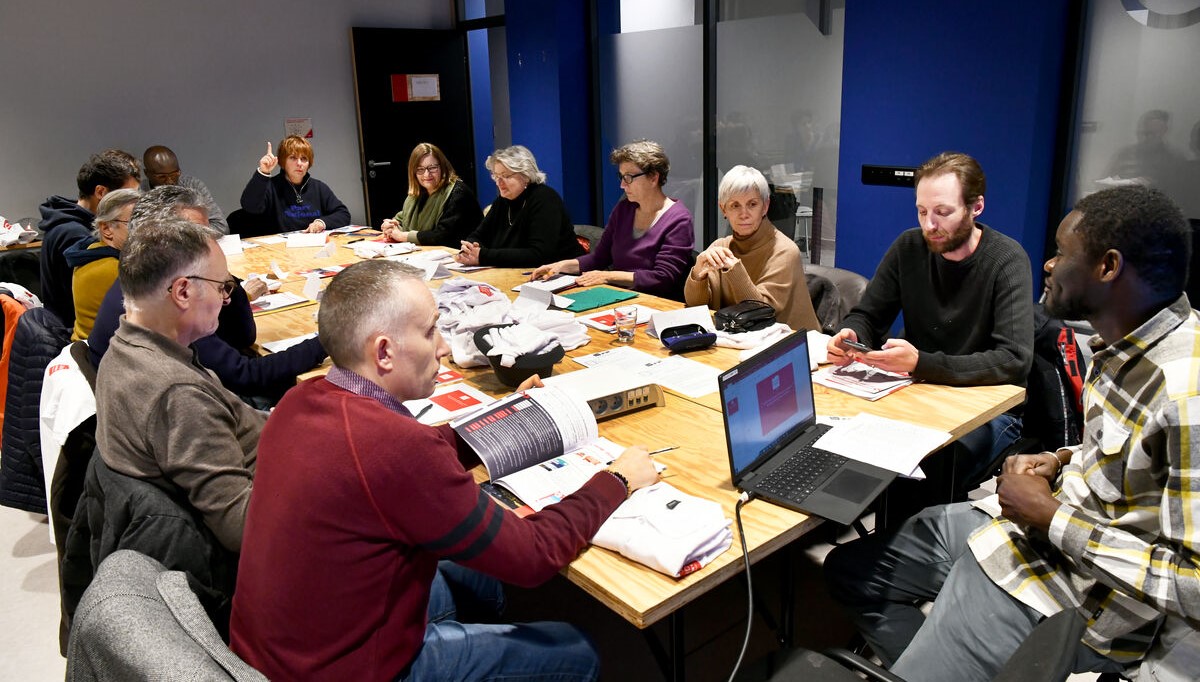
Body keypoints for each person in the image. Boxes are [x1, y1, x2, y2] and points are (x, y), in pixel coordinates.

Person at [824, 186, 1199, 682]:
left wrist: (1050, 515)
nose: (1049, 264)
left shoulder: (1185, 395)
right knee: (848, 571)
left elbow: (1194, 586)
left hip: (1074, 597)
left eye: (1063, 253)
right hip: (1026, 530)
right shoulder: (1120, 347)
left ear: (1108, 267)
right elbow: (1127, 465)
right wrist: (1062, 460)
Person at [230, 260, 659, 681]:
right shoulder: (393, 447)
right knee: (575, 651)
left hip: (278, 653)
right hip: (349, 669)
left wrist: (509, 418)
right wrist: (616, 480)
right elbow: (532, 556)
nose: (443, 347)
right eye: (430, 330)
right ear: (384, 351)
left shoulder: (299, 401)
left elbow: (414, 454)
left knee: (471, 577)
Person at [826, 151, 1033, 511]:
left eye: (943, 212)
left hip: (987, 409)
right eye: (922, 211)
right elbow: (868, 315)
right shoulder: (909, 247)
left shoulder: (1006, 260)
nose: (930, 224)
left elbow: (1014, 360)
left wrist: (921, 363)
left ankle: (900, 553)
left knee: (921, 468)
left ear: (976, 207)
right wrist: (851, 335)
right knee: (839, 443)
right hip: (916, 391)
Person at [94, 216, 266, 552]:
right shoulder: (177, 394)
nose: (226, 300)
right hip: (266, 503)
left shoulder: (124, 347)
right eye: (223, 287)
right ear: (183, 291)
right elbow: (243, 527)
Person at [87, 185, 327, 404]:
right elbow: (246, 375)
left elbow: (243, 337)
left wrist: (223, 280)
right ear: (160, 240)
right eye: (197, 236)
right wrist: (329, 339)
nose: (211, 244)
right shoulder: (164, 304)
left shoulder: (148, 279)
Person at [530, 139, 695, 300]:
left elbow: (663, 278)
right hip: (620, 298)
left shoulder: (678, 219)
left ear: (653, 177)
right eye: (621, 177)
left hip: (656, 304)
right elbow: (599, 258)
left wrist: (608, 276)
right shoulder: (624, 209)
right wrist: (560, 266)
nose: (622, 185)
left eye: (629, 177)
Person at [684, 164, 820, 331]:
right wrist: (698, 274)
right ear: (723, 209)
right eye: (735, 205)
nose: (744, 214)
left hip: (791, 345)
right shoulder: (720, 246)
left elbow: (762, 311)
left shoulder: (785, 250)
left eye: (752, 204)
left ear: (765, 207)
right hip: (738, 339)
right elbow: (696, 306)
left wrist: (735, 270)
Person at [38, 153, 140, 327]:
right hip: (73, 332)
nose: (135, 205)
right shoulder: (76, 235)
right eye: (127, 196)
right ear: (101, 192)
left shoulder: (65, 219)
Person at [454, 145, 585, 268]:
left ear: (526, 175)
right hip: (519, 274)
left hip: (561, 276)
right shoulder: (502, 201)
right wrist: (471, 249)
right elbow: (477, 235)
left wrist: (483, 256)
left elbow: (539, 255)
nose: (499, 182)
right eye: (496, 176)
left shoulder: (545, 199)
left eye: (505, 176)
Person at [66, 188, 138, 341]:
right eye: (135, 224)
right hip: (103, 357)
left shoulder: (92, 251)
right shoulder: (114, 270)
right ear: (106, 229)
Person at [379, 142, 483, 247]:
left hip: (459, 256)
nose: (426, 174)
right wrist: (391, 225)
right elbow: (403, 218)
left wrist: (402, 236)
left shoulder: (458, 193)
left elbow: (442, 236)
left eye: (432, 168)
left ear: (442, 167)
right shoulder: (419, 194)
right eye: (420, 169)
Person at [239, 135, 350, 233]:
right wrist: (263, 173)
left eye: (304, 159)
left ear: (309, 163)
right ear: (283, 162)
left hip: (313, 245)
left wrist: (322, 223)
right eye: (293, 158)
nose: (299, 163)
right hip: (280, 250)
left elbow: (343, 214)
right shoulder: (270, 186)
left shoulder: (319, 187)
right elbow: (249, 206)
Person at [142, 145, 229, 233]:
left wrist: (181, 234)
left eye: (174, 174)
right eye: (162, 177)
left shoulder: (193, 186)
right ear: (147, 173)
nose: (170, 181)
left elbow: (221, 227)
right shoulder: (138, 194)